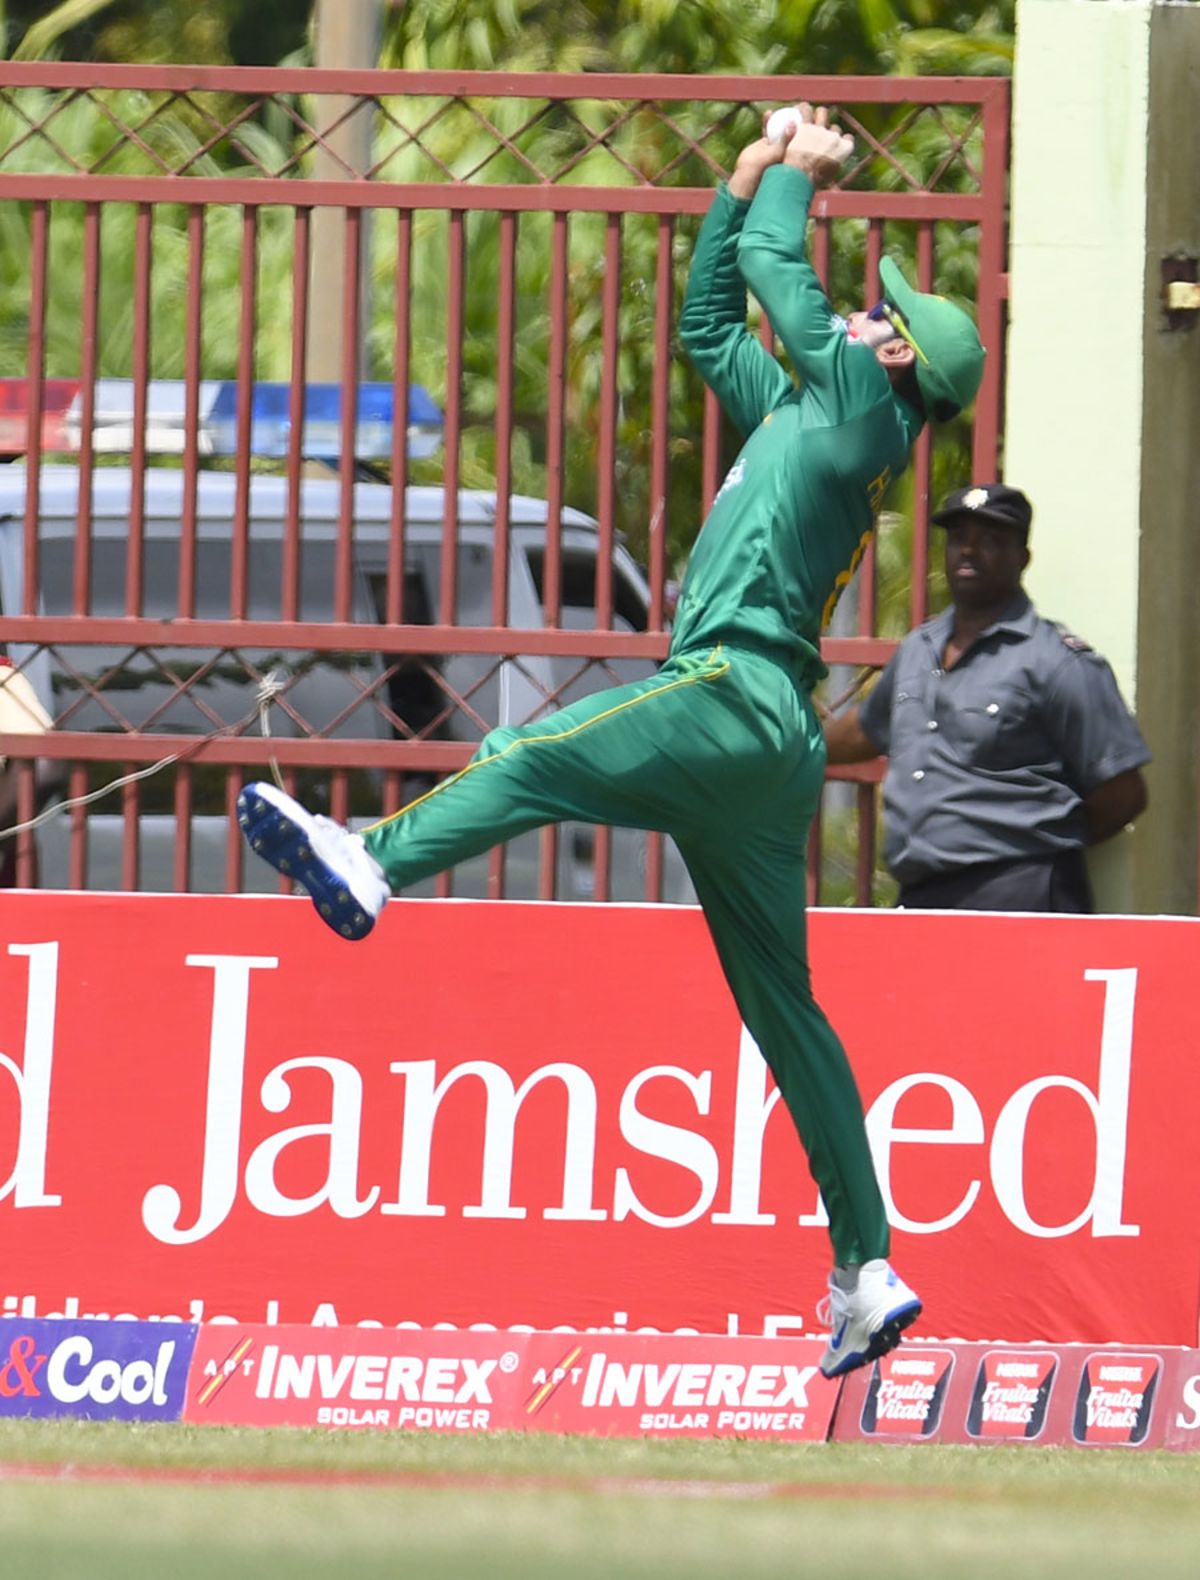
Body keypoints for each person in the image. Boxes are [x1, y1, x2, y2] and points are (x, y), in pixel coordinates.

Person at [236, 104, 986, 1378]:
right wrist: (744, 178)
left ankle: (371, 860)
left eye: (880, 310)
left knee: (526, 756)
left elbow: (774, 272)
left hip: (733, 688)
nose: (862, 310)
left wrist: (799, 178)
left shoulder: (860, 397)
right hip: (769, 736)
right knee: (787, 1013)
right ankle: (867, 1264)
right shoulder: (819, 411)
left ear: (896, 350)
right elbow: (710, 320)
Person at [823, 482, 1150, 911]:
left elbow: (1123, 793)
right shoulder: (918, 650)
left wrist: (1039, 839)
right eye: (959, 538)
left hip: (1021, 894)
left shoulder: (1057, 663)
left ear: (1023, 559)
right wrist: (788, 744)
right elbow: (867, 730)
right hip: (923, 896)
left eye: (991, 540)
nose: (969, 552)